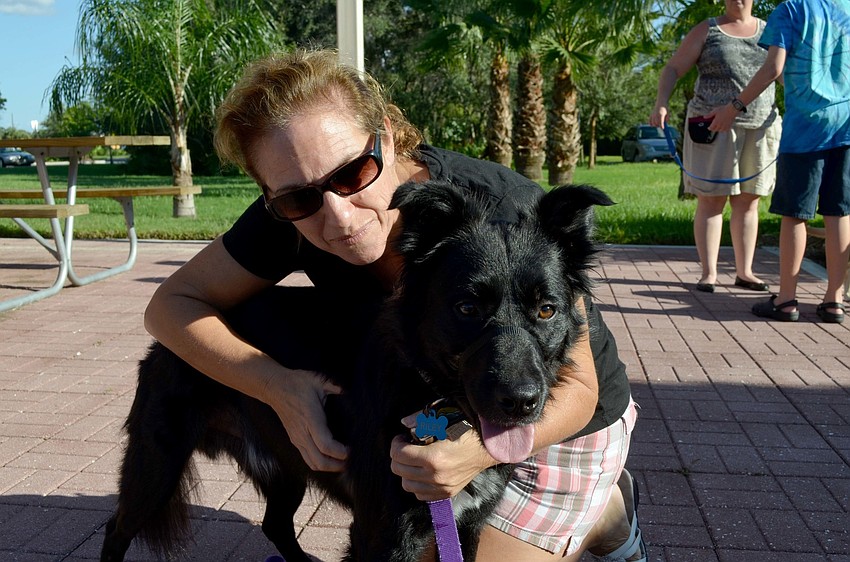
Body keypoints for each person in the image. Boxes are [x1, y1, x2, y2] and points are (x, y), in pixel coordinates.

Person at [143, 48, 645, 561]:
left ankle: (605, 511)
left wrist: (473, 455)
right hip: (448, 403)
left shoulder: (508, 216)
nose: (336, 216)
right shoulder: (291, 211)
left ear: (385, 133)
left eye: (353, 171)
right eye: (296, 198)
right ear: (271, 194)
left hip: (563, 420)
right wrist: (274, 385)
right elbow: (168, 307)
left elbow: (581, 389)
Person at [709, 0, 850, 323]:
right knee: (839, 212)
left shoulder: (791, 10)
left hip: (806, 128)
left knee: (795, 213)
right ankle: (834, 301)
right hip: (845, 126)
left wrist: (734, 106)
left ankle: (786, 300)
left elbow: (774, 68)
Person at [650, 0, 781, 294]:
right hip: (711, 126)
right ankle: (708, 273)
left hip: (759, 126)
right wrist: (661, 102)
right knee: (711, 200)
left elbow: (782, 73)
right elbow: (673, 68)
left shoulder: (771, 30)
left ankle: (745, 271)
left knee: (749, 201)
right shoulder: (708, 30)